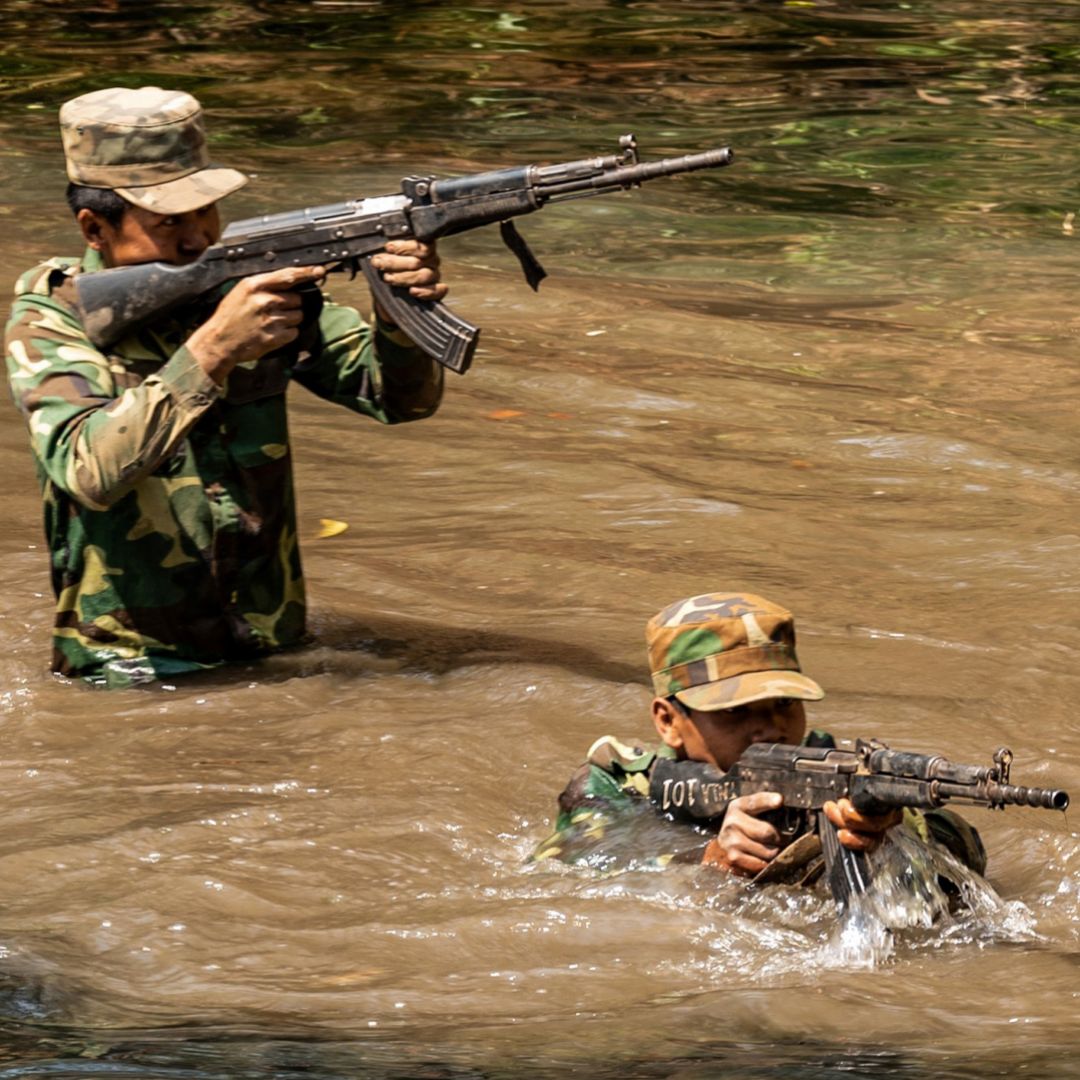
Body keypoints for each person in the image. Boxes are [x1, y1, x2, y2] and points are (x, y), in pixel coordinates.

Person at [5, 86, 449, 688]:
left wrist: (395, 313)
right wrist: (214, 348)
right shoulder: (52, 318)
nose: (198, 238)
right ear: (93, 228)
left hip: (276, 647)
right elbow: (87, 470)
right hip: (132, 670)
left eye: (205, 212)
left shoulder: (250, 286)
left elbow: (400, 401)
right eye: (169, 222)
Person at [532, 592, 986, 887]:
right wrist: (709, 861)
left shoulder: (826, 767)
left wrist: (896, 831)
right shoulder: (617, 782)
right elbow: (570, 864)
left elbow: (967, 848)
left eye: (785, 704)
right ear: (668, 720)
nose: (771, 729)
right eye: (734, 712)